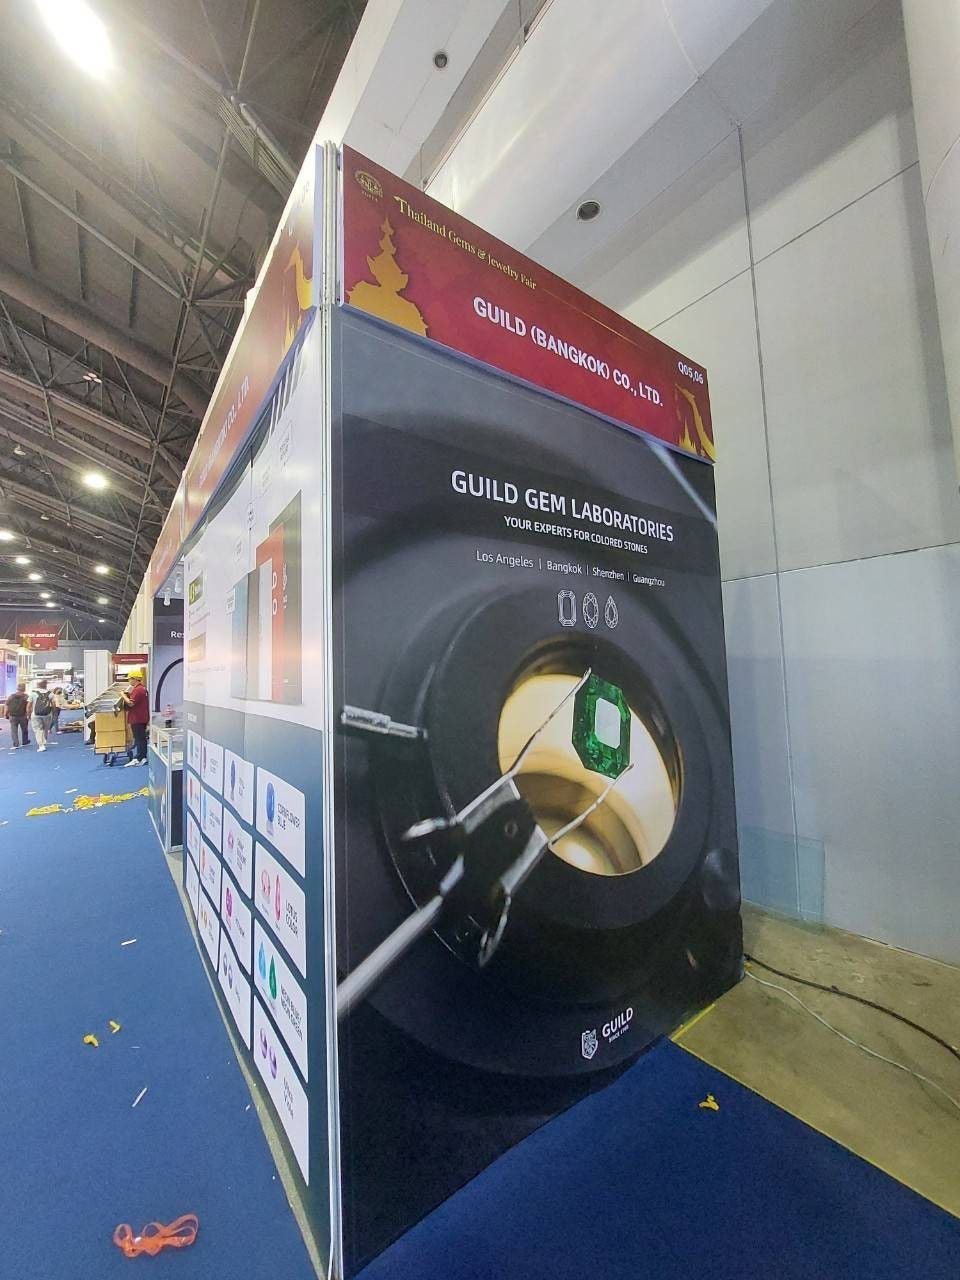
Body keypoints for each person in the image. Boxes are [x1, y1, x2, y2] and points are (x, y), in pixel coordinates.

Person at [119, 670, 149, 766]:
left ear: (135, 679)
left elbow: (131, 703)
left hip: (137, 718)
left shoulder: (138, 690)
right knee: (141, 739)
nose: (129, 681)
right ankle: (142, 757)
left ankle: (139, 758)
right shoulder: (142, 689)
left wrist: (123, 695)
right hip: (141, 717)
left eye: (130, 679)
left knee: (139, 739)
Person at [31, 679, 54, 753]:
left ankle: (41, 745)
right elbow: (53, 704)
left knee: (38, 729)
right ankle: (44, 741)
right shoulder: (50, 694)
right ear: (46, 685)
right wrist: (53, 713)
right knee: (45, 728)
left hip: (36, 714)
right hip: (47, 714)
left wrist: (28, 714)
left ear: (38, 685)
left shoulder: (33, 693)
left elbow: (28, 705)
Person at [5, 683, 30, 749]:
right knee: (24, 729)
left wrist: (6, 714)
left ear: (17, 688)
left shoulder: (11, 696)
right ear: (24, 689)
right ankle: (25, 741)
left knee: (14, 731)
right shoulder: (26, 696)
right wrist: (28, 715)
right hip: (23, 716)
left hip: (12, 715)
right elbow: (28, 707)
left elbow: (7, 705)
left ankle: (16, 744)